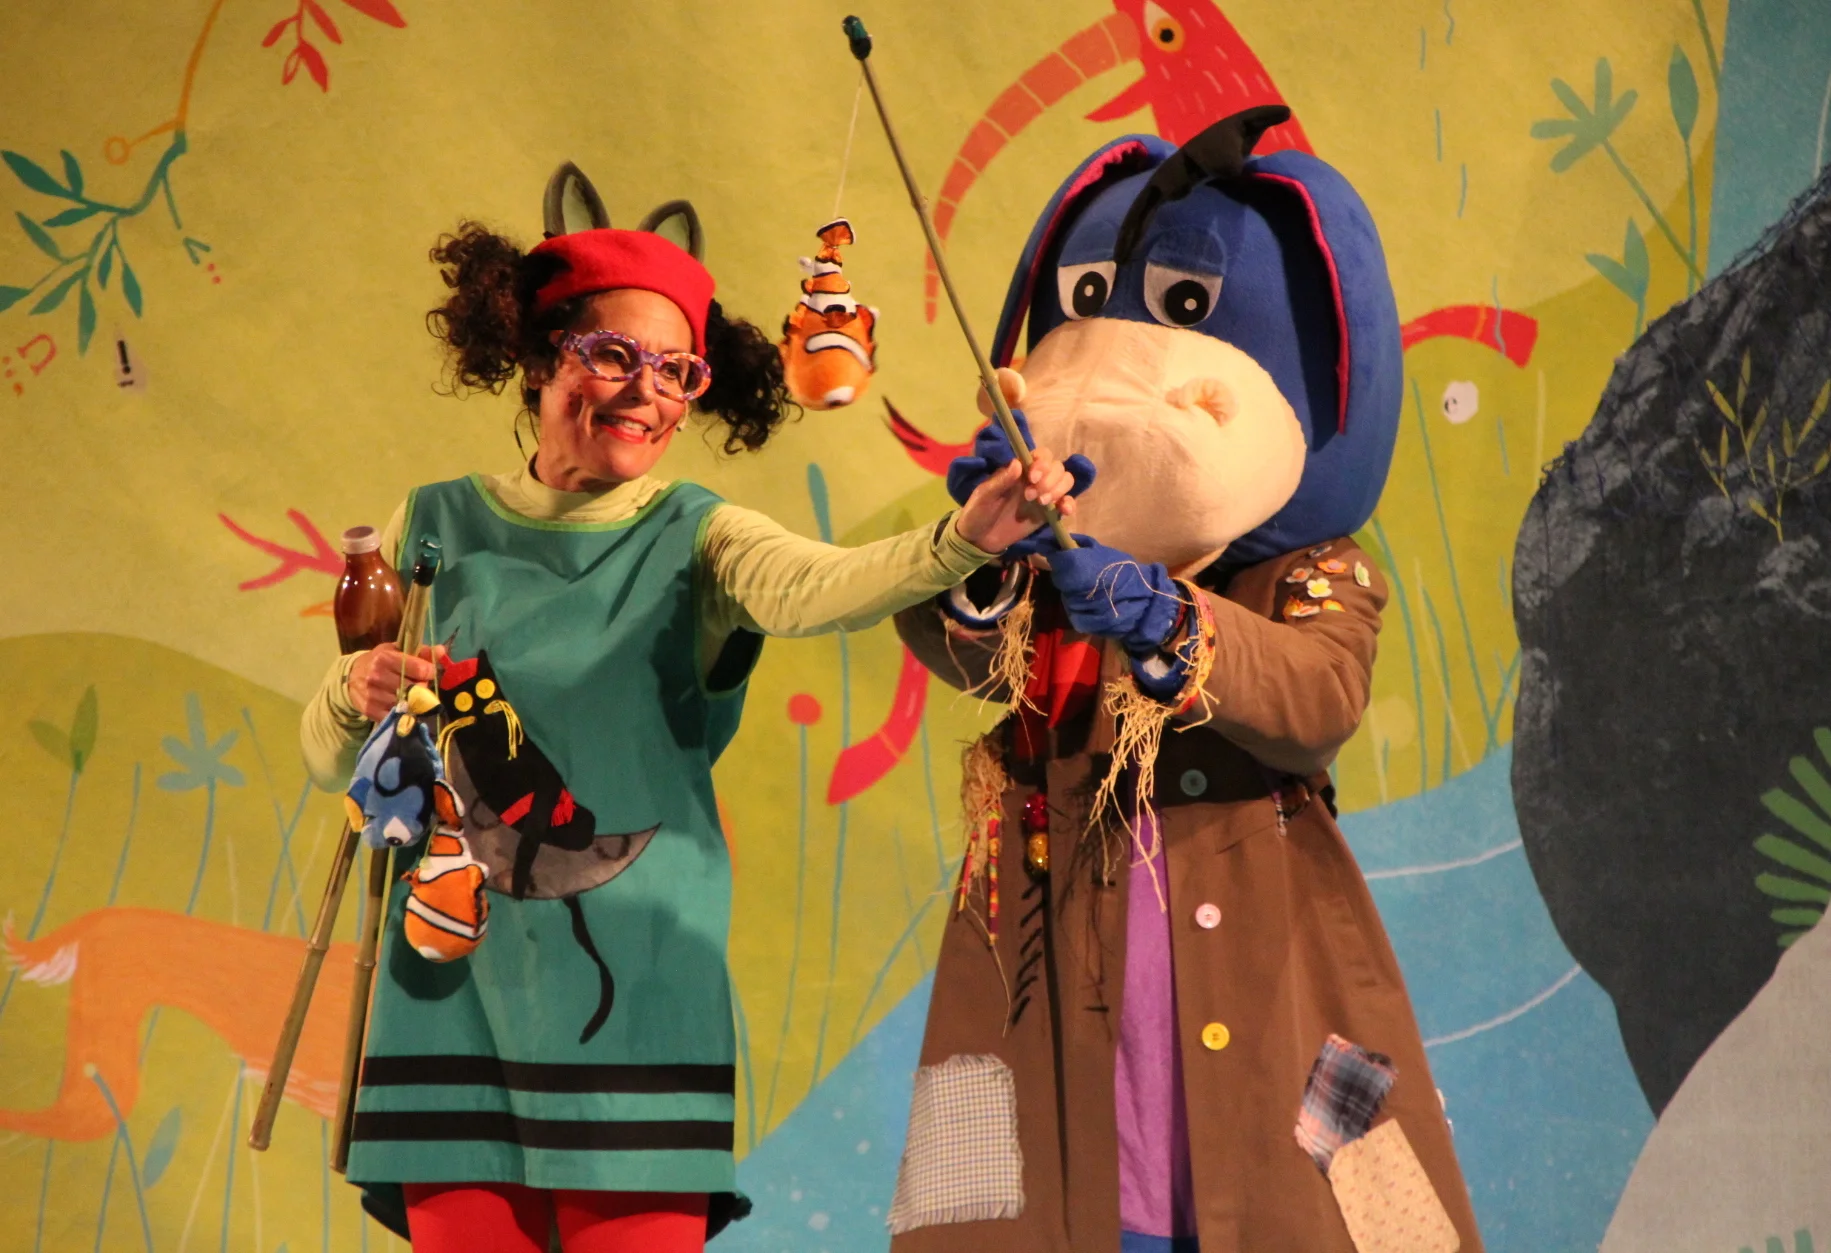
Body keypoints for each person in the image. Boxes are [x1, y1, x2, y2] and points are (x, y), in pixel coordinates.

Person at [298, 220, 1083, 1253]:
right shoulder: (431, 527)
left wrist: (965, 538)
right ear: (537, 359)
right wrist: (352, 688)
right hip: (452, 994)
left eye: (677, 371)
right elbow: (333, 760)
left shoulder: (699, 534)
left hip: (638, 1003)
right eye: (612, 354)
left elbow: (820, 587)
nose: (646, 391)